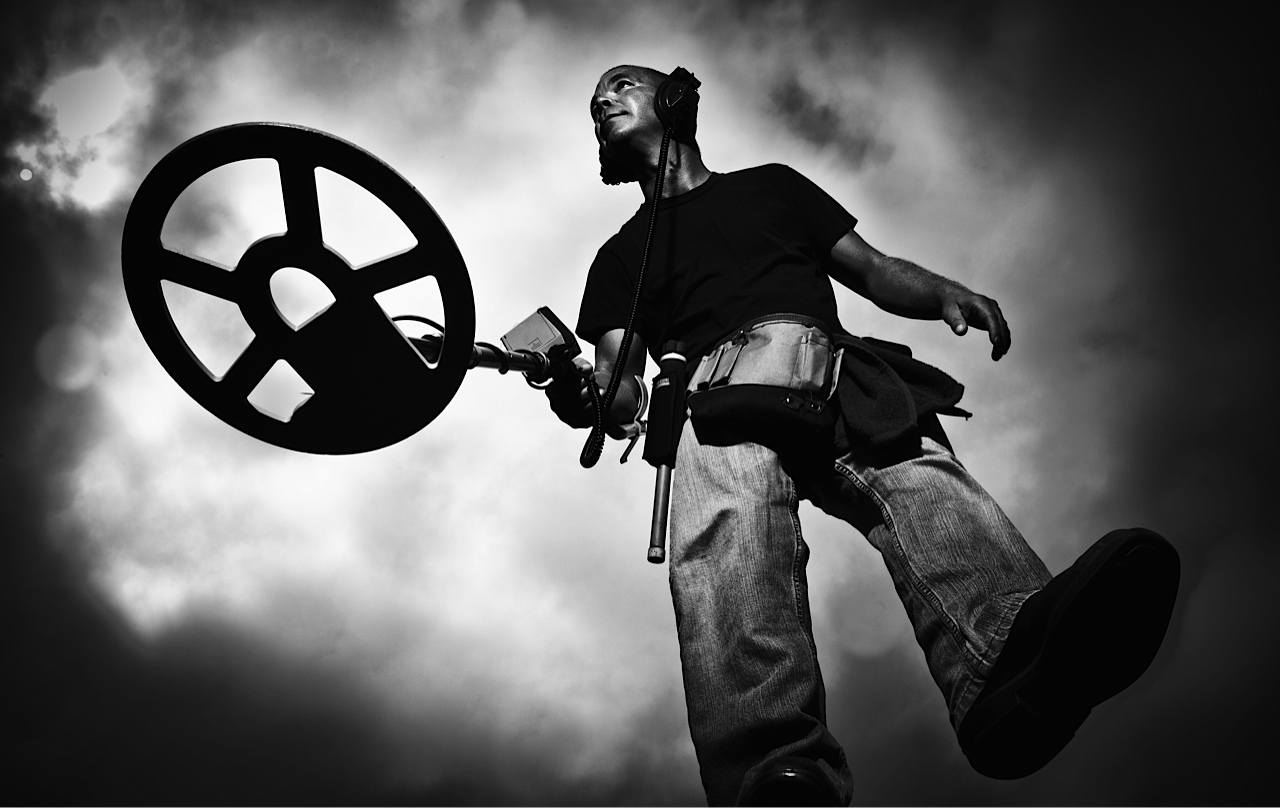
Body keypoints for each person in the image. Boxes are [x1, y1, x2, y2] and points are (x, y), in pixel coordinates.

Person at [546, 65, 1181, 807]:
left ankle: (1006, 658)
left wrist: (942, 291)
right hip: (719, 403)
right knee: (728, 544)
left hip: (836, 372)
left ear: (674, 97)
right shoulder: (620, 259)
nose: (602, 100)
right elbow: (619, 385)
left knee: (926, 484)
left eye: (622, 84)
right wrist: (581, 395)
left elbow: (873, 269)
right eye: (595, 100)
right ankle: (771, 772)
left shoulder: (773, 188)